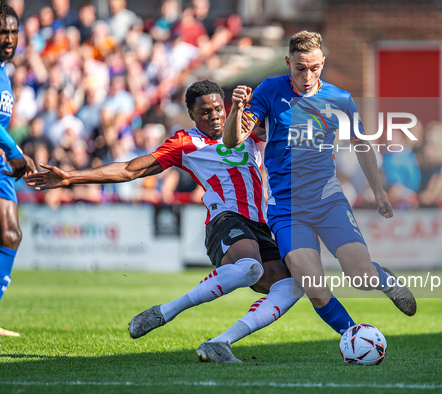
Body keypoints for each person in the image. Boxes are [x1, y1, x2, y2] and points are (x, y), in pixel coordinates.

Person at [25, 80, 302, 362]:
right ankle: (166, 311)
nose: (214, 116)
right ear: (192, 115)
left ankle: (219, 342)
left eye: (218, 108)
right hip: (224, 219)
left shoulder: (246, 130)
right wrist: (73, 177)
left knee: (293, 285)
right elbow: (131, 169)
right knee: (249, 268)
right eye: (204, 112)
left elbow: (285, 125)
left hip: (260, 224)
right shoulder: (186, 142)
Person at [223, 31, 416, 337]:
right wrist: (236, 109)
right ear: (288, 63)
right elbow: (234, 140)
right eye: (300, 68)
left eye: (314, 68)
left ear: (323, 63)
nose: (307, 75)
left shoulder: (340, 99)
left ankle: (382, 278)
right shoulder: (270, 91)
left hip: (328, 201)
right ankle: (354, 336)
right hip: (286, 208)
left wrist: (378, 192)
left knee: (361, 277)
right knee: (313, 285)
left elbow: (362, 144)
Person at [0, 3, 37, 337]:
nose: (9, 38)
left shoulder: (4, 71)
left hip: (0, 165)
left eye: (13, 31)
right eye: (3, 31)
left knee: (10, 233)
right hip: (4, 156)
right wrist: (16, 150)